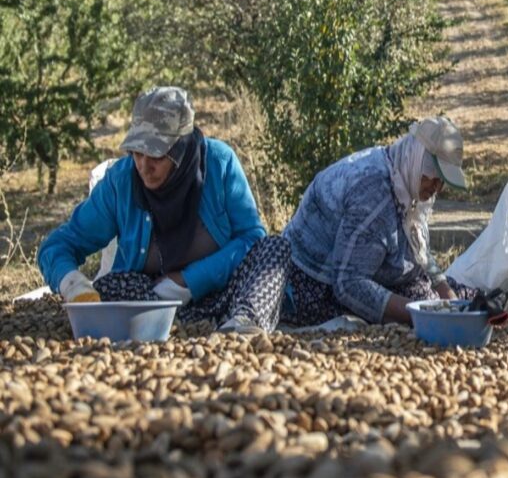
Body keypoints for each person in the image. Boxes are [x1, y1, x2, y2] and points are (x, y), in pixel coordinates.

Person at [39, 87, 290, 333]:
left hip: (227, 297)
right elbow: (58, 246)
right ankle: (167, 329)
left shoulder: (219, 163)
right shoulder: (121, 182)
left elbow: (252, 238)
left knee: (274, 248)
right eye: (137, 153)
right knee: (111, 286)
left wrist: (187, 281)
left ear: (180, 148)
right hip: (155, 305)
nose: (143, 167)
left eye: (156, 156)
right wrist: (72, 283)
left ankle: (243, 327)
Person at [282, 116, 476, 326]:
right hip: (316, 286)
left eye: (443, 182)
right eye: (434, 177)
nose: (437, 189)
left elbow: (418, 247)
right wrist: (422, 315)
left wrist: (447, 294)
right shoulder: (374, 196)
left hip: (372, 272)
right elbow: (348, 283)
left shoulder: (404, 175)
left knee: (455, 299)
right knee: (429, 306)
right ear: (417, 158)